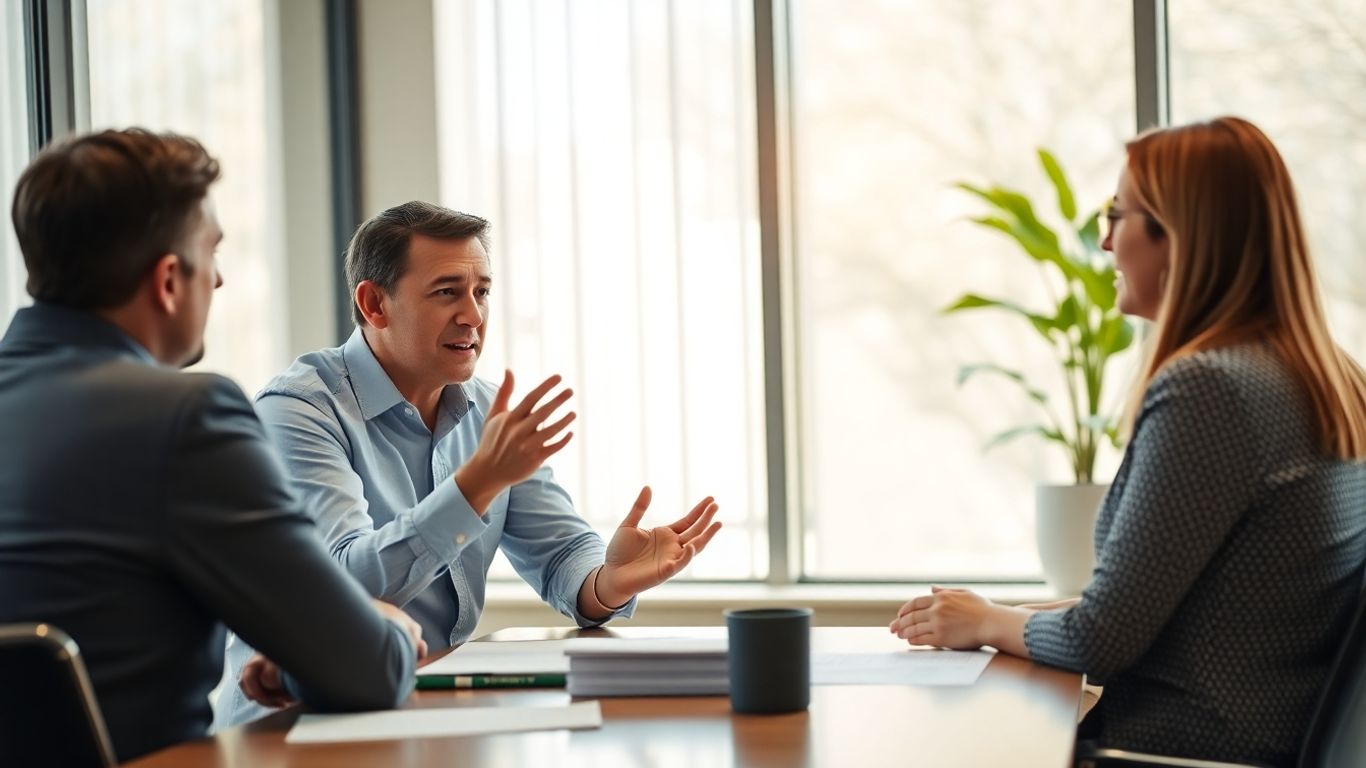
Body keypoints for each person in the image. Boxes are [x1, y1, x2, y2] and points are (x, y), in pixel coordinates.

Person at [889, 117, 1366, 765]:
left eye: (1118, 215)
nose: (1106, 241)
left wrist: (988, 622)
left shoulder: (1211, 390)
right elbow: (1156, 603)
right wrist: (991, 613)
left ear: (1180, 236)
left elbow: (1102, 640)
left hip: (1176, 751)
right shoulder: (1332, 375)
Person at [0, 129, 426, 763]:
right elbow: (364, 671)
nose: (220, 280)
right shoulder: (182, 419)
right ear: (170, 280)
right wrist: (385, 627)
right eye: (212, 252)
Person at [216, 201, 722, 726]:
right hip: (294, 724)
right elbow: (341, 589)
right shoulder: (296, 411)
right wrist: (475, 486)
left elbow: (563, 556)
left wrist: (608, 582)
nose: (474, 316)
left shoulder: (484, 408)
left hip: (425, 714)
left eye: (482, 292)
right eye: (446, 292)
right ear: (373, 303)